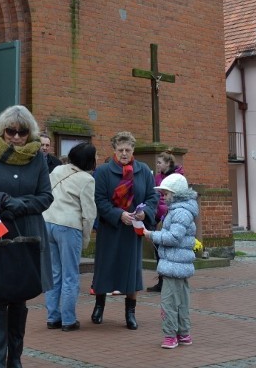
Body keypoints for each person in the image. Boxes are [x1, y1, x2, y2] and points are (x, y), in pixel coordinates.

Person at [0, 105, 53, 368]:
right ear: (2, 130)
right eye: (11, 131)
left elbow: (46, 196)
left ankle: (14, 359)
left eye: (22, 132)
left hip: (26, 228)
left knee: (19, 295)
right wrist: (2, 199)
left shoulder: (38, 157)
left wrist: (23, 204)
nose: (16, 137)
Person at [90, 131, 158, 330]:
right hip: (111, 227)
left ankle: (130, 313)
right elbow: (99, 200)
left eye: (128, 149)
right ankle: (99, 306)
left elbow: (152, 198)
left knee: (131, 271)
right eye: (120, 150)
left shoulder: (144, 171)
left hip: (132, 230)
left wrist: (145, 213)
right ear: (114, 150)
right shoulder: (102, 172)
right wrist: (118, 214)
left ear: (133, 149)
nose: (124, 153)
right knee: (104, 268)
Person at [43, 142, 97, 332]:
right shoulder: (87, 179)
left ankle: (52, 317)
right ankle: (68, 319)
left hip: (48, 222)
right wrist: (85, 238)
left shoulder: (57, 170)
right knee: (70, 276)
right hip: (68, 226)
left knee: (54, 274)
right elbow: (89, 213)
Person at [143, 173, 199, 349]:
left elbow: (174, 237)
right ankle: (184, 333)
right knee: (182, 300)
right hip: (179, 264)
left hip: (173, 265)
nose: (164, 197)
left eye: (166, 194)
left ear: (176, 194)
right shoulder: (182, 210)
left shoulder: (180, 212)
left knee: (168, 301)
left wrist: (151, 235)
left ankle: (170, 336)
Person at [147, 151, 184, 293]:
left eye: (159, 162)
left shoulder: (177, 178)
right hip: (157, 219)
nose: (157, 165)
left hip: (169, 218)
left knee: (170, 252)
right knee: (159, 252)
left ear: (168, 163)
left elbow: (172, 199)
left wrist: (164, 212)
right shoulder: (157, 178)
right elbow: (155, 196)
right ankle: (161, 281)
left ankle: (171, 282)